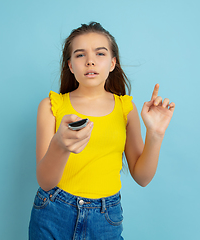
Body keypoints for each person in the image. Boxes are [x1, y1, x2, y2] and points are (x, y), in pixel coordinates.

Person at [28, 22, 175, 240]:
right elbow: (46, 182)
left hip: (105, 217)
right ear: (70, 65)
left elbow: (142, 177)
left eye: (100, 53)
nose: (90, 60)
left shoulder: (126, 109)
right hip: (53, 211)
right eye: (80, 55)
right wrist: (60, 145)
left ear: (113, 63)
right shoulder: (51, 106)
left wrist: (155, 134)